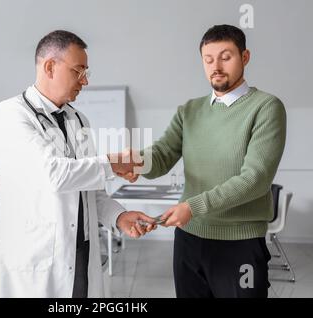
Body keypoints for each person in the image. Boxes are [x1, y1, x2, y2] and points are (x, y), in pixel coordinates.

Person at [122, 24, 287, 298]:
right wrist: (133, 162)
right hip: (189, 240)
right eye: (208, 60)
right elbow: (161, 156)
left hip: (240, 243)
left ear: (245, 57)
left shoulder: (266, 107)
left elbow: (255, 180)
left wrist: (193, 206)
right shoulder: (189, 110)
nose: (216, 66)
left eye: (226, 57)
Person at [0, 30, 156, 298]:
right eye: (78, 71)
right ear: (50, 66)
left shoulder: (78, 120)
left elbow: (92, 191)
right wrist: (113, 164)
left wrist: (119, 217)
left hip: (80, 256)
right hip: (36, 263)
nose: (85, 80)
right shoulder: (11, 114)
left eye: (86, 72)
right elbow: (53, 175)